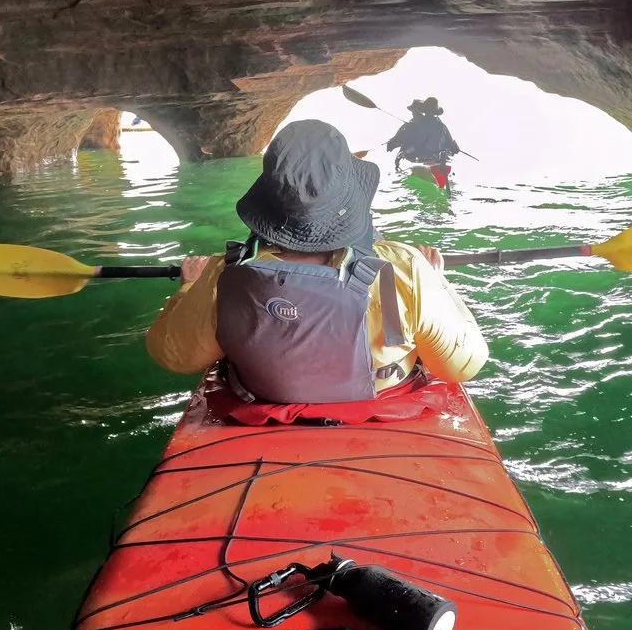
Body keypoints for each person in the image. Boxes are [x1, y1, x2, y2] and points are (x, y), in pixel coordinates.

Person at [146, 119, 488, 403]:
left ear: (268, 199)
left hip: (260, 402)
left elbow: (174, 356)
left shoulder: (226, 272)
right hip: (379, 402)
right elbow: (463, 366)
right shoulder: (402, 268)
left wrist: (189, 287)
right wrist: (438, 281)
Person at [385, 97, 460, 167]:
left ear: (424, 111)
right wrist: (454, 148)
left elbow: (401, 138)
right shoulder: (442, 126)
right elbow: (453, 146)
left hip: (418, 159)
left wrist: (392, 143)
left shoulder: (414, 125)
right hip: (437, 159)